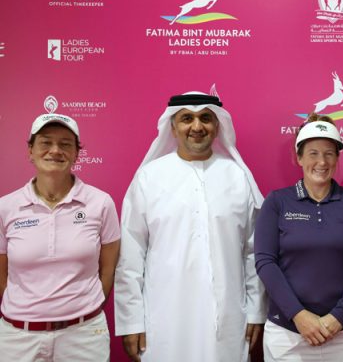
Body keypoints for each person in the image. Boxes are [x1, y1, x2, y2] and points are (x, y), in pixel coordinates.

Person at [114, 90, 267, 362]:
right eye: (187, 119)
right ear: (173, 127)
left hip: (229, 317)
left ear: (217, 125)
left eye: (205, 118)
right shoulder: (149, 178)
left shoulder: (238, 177)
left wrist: (255, 311)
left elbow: (253, 251)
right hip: (164, 318)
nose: (197, 127)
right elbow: (131, 255)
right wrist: (131, 322)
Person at [255, 114, 343, 361]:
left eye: (329, 153)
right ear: (299, 157)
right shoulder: (277, 202)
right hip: (288, 334)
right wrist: (299, 315)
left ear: (337, 158)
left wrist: (339, 317)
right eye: (313, 153)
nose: (321, 161)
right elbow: (265, 262)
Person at [0, 113, 120, 361]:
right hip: (18, 339)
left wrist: (83, 309)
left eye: (66, 144)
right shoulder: (6, 207)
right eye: (46, 142)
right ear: (30, 150)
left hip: (84, 336)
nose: (55, 150)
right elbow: (1, 274)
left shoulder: (100, 203)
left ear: (77, 153)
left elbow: (108, 271)